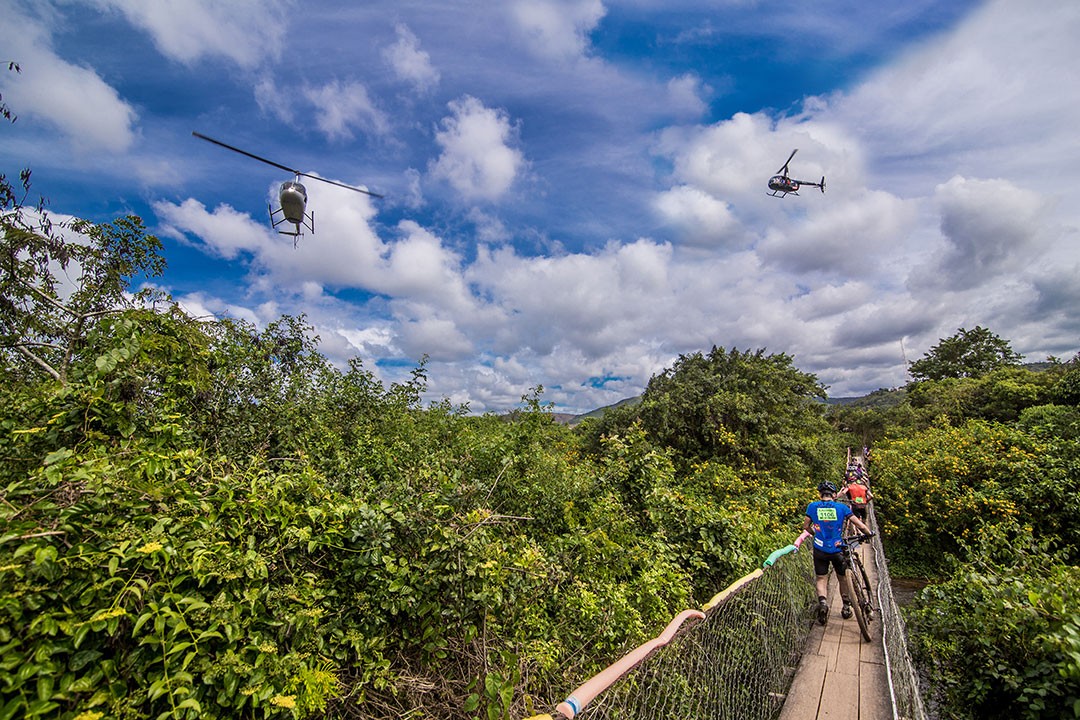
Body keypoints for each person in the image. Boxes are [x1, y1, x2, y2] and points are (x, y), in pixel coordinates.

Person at [803, 480, 873, 624]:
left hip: (819, 549)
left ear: (820, 494)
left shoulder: (812, 506)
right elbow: (858, 524)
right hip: (837, 548)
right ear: (834, 495)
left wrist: (815, 533)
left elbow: (806, 526)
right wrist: (868, 533)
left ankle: (823, 604)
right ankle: (846, 607)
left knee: (821, 578)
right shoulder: (841, 507)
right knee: (842, 578)